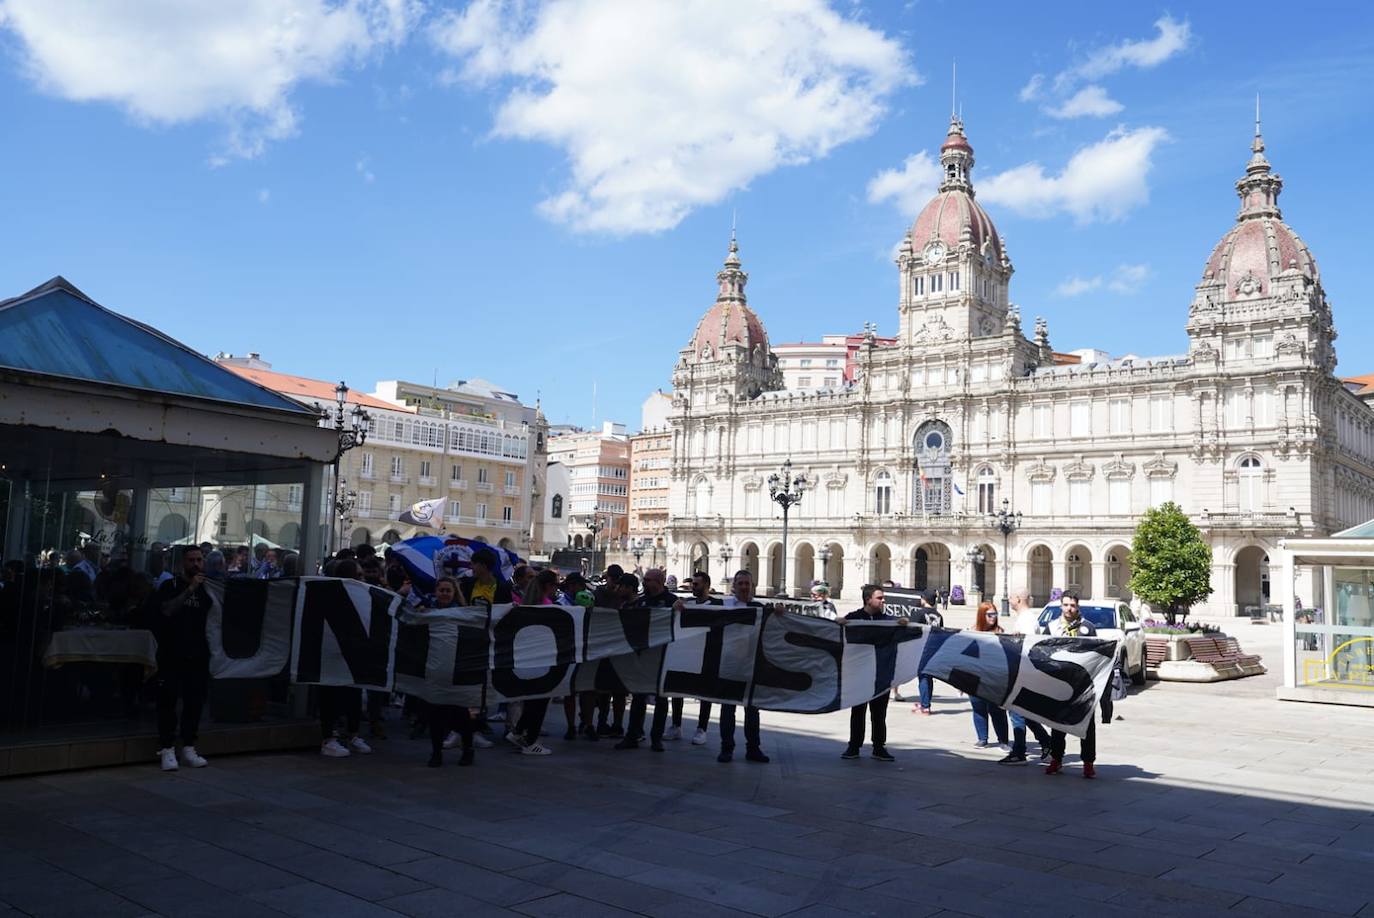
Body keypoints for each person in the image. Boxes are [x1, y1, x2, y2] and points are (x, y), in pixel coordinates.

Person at [153, 546, 212, 771]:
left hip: (198, 654)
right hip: (172, 653)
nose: (196, 564)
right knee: (168, 700)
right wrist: (190, 589)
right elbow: (167, 610)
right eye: (191, 560)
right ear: (182, 564)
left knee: (194, 701)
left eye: (199, 560)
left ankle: (189, 746)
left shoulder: (209, 589)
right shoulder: (170, 586)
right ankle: (167, 748)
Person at [714, 569, 776, 764]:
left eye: (747, 583)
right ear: (734, 586)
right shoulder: (725, 606)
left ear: (752, 586)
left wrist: (780, 613)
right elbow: (700, 610)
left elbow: (774, 625)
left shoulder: (758, 608)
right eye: (740, 583)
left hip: (751, 665)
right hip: (730, 664)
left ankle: (753, 748)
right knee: (728, 708)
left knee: (752, 709)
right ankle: (726, 748)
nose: (744, 587)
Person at [841, 585, 906, 762]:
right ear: (868, 599)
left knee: (879, 713)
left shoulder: (887, 620)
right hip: (860, 673)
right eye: (880, 598)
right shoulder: (854, 618)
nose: (883, 601)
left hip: (880, 672)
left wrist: (903, 625)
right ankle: (854, 746)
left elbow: (902, 635)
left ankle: (879, 747)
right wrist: (839, 624)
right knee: (858, 710)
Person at [617, 568, 679, 751]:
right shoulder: (641, 602)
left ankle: (656, 738)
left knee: (661, 699)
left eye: (648, 580)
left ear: (659, 581)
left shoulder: (672, 601)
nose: (644, 583)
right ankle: (632, 735)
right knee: (638, 697)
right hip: (643, 658)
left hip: (664, 658)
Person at [419, 576, 477, 767]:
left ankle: (468, 750)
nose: (444, 593)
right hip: (435, 671)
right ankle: (436, 753)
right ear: (436, 591)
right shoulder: (427, 611)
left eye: (447, 590)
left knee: (460, 714)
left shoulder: (463, 613)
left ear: (454, 593)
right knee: (435, 715)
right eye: (441, 590)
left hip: (456, 671)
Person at [1041, 592, 1099, 779]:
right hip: (1059, 683)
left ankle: (1088, 763)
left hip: (1083, 685)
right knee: (1057, 724)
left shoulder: (1087, 627)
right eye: (1066, 605)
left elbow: (1097, 654)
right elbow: (1040, 651)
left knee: (1087, 726)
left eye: (1072, 605)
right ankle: (1056, 759)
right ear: (1061, 606)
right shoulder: (1052, 627)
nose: (1069, 609)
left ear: (1077, 607)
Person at [318, 559, 372, 758]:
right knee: (330, 697)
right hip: (332, 654)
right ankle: (328, 739)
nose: (363, 579)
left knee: (353, 696)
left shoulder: (362, 595)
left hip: (352, 654)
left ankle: (353, 734)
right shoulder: (330, 594)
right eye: (358, 575)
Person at [505, 568, 558, 755]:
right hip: (543, 659)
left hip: (527, 659)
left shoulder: (526, 603)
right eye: (555, 585)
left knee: (532, 699)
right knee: (540, 701)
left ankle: (519, 731)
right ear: (548, 586)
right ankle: (530, 740)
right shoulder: (546, 605)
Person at [999, 588, 1053, 766]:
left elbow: (1028, 644)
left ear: (1018, 599)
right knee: (1024, 713)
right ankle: (1045, 744)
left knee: (1016, 711)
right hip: (1023, 671)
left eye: (1011, 596)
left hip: (1024, 672)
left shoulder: (1027, 619)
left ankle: (1020, 751)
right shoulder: (1026, 618)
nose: (1008, 599)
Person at [676, 570, 717, 745]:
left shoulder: (718, 604)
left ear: (706, 586)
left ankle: (702, 728)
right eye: (693, 583)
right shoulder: (688, 603)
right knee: (678, 689)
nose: (693, 586)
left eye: (696, 584)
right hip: (688, 652)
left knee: (704, 692)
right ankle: (676, 725)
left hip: (708, 653)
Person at [968, 602, 1009, 748]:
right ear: (981, 615)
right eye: (990, 615)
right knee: (978, 707)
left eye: (995, 614)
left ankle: (1003, 740)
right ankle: (982, 738)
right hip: (975, 676)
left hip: (994, 677)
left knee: (996, 710)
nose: (993, 617)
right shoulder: (971, 632)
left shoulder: (1000, 632)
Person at [912, 590, 944, 714]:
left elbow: (912, 630)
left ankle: (925, 706)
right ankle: (926, 703)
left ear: (924, 599)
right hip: (934, 649)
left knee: (923, 677)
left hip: (921, 648)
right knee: (928, 677)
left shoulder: (919, 613)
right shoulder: (939, 615)